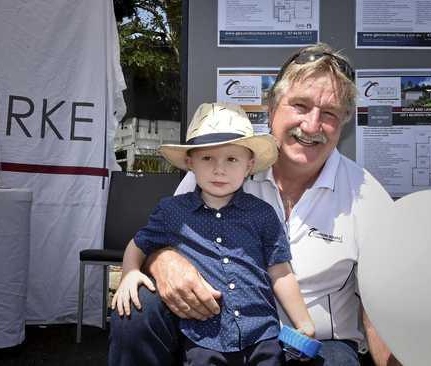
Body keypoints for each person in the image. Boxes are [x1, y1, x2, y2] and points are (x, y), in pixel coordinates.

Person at [109, 43, 401, 366]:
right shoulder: (215, 169)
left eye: (329, 113)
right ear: (272, 109)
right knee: (136, 307)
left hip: (316, 345)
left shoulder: (367, 196)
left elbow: (382, 306)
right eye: (300, 106)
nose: (312, 125)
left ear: (343, 123)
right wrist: (161, 260)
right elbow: (160, 237)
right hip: (214, 337)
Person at [112, 102, 315, 366]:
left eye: (232, 159)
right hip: (203, 337)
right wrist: (130, 272)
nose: (219, 169)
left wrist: (303, 322)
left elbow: (281, 271)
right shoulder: (171, 211)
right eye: (207, 158)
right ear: (190, 162)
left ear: (249, 164)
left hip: (262, 335)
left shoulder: (263, 213)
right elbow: (139, 244)